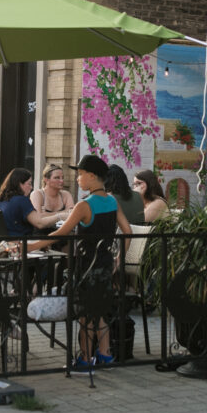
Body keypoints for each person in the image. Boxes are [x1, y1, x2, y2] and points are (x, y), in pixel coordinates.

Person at [30, 154, 131, 373]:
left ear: (92, 176)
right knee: (101, 310)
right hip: (105, 264)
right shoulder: (112, 201)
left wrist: (29, 247)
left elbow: (60, 233)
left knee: (86, 313)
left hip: (86, 267)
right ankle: (105, 356)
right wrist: (119, 259)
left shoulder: (84, 205)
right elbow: (128, 232)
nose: (77, 179)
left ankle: (85, 359)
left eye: (80, 174)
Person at [0, 167, 65, 237]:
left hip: (4, 243)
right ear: (20, 184)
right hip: (22, 243)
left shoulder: (0, 199)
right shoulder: (21, 200)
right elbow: (39, 223)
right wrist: (60, 216)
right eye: (29, 183)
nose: (31, 187)